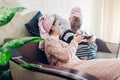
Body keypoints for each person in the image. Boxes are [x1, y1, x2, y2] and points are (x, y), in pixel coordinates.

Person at [41, 15, 120, 80]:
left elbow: (70, 53)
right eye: (59, 25)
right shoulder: (50, 40)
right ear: (52, 27)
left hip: (80, 63)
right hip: (73, 68)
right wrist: (75, 41)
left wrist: (85, 40)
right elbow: (65, 56)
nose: (62, 27)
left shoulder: (60, 41)